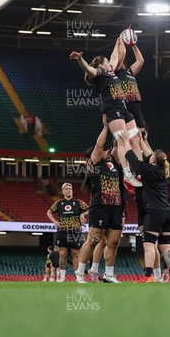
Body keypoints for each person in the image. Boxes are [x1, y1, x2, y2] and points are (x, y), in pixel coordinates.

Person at [69, 34, 142, 187]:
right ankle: (128, 174)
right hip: (112, 109)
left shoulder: (110, 72)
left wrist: (119, 40)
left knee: (135, 137)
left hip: (122, 107)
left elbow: (116, 55)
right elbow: (89, 69)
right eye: (107, 61)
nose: (110, 62)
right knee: (123, 140)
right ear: (101, 65)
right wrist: (80, 60)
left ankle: (141, 170)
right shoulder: (99, 74)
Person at [120, 130, 170, 283]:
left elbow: (130, 156)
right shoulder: (160, 171)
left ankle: (148, 276)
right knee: (166, 246)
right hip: (168, 213)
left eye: (152, 156)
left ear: (153, 160)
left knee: (148, 244)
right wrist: (142, 140)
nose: (150, 155)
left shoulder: (147, 170)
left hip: (155, 212)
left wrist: (127, 140)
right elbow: (151, 155)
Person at [74, 117, 126, 284]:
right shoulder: (93, 164)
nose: (105, 152)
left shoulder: (112, 163)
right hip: (100, 206)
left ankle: (109, 274)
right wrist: (105, 127)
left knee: (113, 242)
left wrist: (119, 129)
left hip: (116, 206)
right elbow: (99, 146)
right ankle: (80, 272)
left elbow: (117, 147)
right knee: (94, 240)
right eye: (102, 151)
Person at [47, 183, 89, 282]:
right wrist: (55, 222)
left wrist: (83, 214)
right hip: (63, 231)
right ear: (63, 191)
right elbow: (49, 212)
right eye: (66, 189)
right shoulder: (59, 203)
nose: (69, 190)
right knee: (62, 254)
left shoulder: (78, 202)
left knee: (76, 254)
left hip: (75, 230)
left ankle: (78, 277)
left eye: (70, 188)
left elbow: (90, 209)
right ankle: (62, 277)